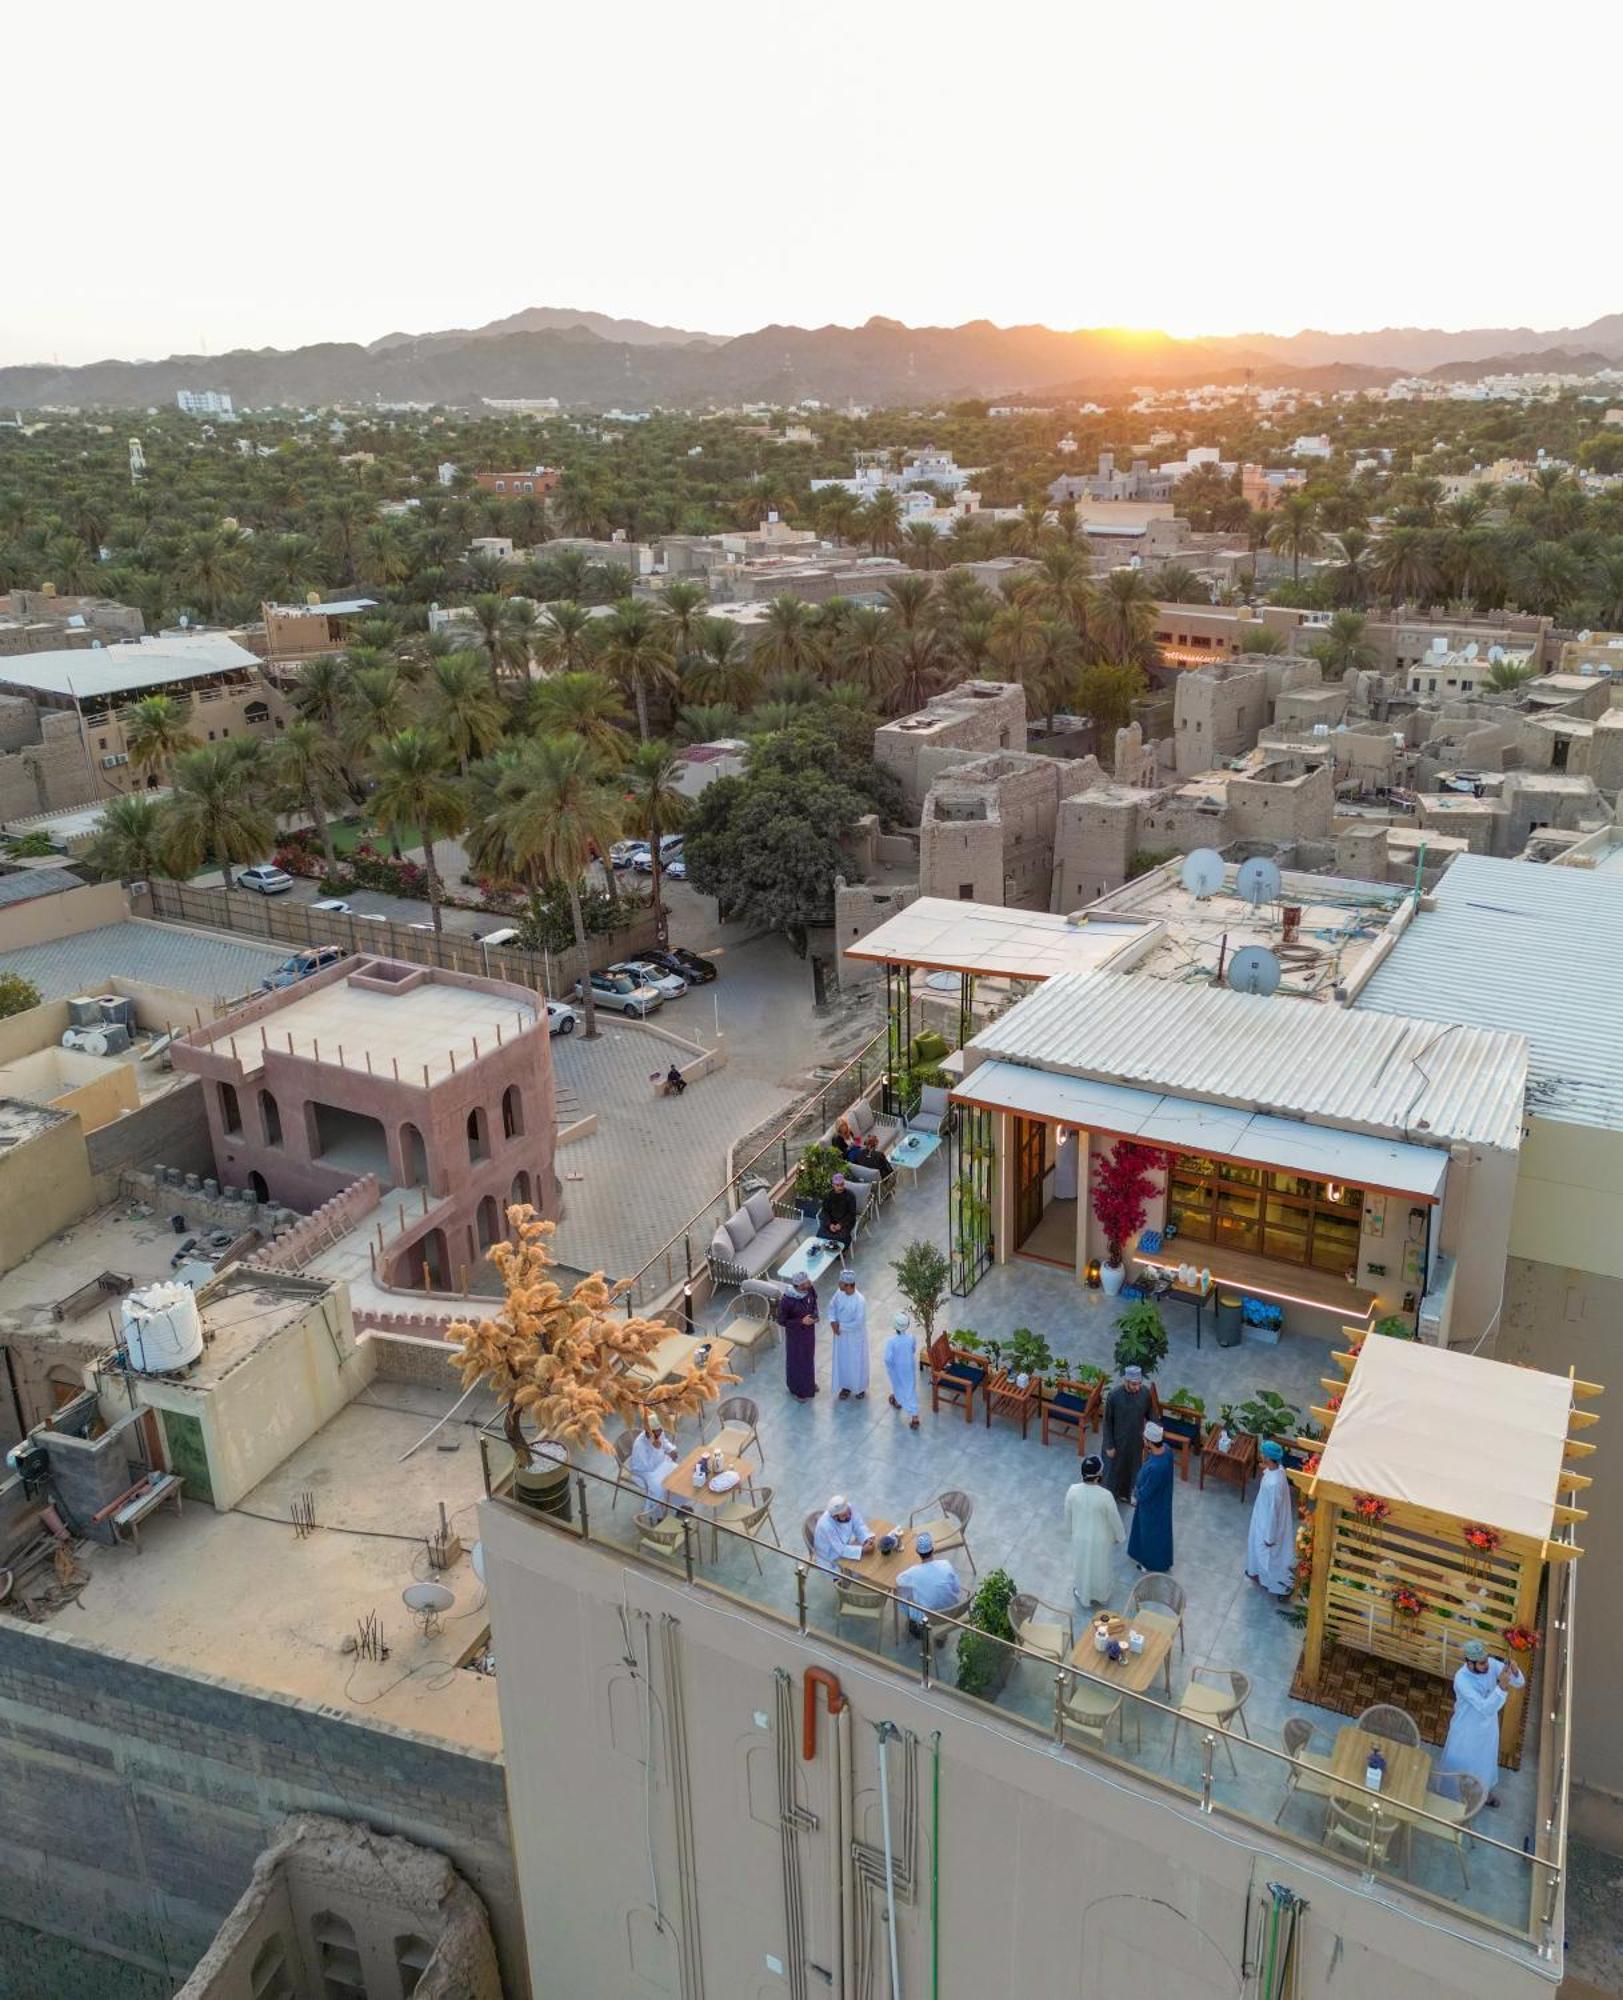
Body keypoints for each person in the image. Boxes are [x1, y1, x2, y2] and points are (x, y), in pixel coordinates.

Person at [1440, 1638, 1525, 1806]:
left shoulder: (1491, 1664)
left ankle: (1483, 1794)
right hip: (1466, 1729)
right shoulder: (1462, 1679)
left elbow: (1519, 1682)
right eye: (1481, 1664)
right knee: (1460, 1763)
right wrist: (1501, 1687)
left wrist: (1514, 1671)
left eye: (1485, 1661)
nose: (1486, 1666)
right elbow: (1485, 1708)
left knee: (1484, 1763)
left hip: (1487, 1730)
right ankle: (1452, 1799)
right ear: (1469, 1663)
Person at [1065, 1453, 1125, 1606]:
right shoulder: (1106, 1496)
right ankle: (1101, 1595)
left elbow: (1068, 1514)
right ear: (1099, 1476)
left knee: (1082, 1565)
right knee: (1100, 1568)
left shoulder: (1072, 1490)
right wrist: (1120, 1536)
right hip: (1101, 1540)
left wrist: (1070, 1531)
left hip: (1079, 1537)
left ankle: (1082, 1593)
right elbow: (1115, 1518)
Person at [1245, 1439, 1296, 1595]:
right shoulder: (1278, 1471)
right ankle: (1256, 1572)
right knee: (1257, 1548)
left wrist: (1270, 1537)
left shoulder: (1274, 1484)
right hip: (1261, 1518)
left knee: (1269, 1556)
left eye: (1263, 1454)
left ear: (1268, 1458)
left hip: (1268, 1526)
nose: (1261, 1455)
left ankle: (1278, 1586)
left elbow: (1273, 1512)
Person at [1127, 1423, 1174, 1572]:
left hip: (1151, 1505)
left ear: (1149, 1442)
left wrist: (1137, 1494)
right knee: (1161, 1532)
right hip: (1163, 1500)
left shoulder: (1156, 1468)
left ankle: (1149, 1563)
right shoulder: (1167, 1451)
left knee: (1149, 1534)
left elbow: (1147, 1491)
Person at [1101, 1364, 1152, 1502]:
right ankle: (1110, 1496)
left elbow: (1151, 1415)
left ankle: (1129, 1494)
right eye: (1134, 1384)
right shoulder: (1114, 1396)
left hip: (1135, 1441)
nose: (1137, 1387)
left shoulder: (1145, 1393)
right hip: (1116, 1442)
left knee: (1133, 1469)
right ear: (1126, 1381)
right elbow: (1107, 1422)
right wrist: (1109, 1445)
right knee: (1113, 1471)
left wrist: (1154, 1435)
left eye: (1139, 1384)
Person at [895, 1532, 963, 1629]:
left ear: (917, 1552)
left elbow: (898, 1580)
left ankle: (915, 1623)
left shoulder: (913, 1572)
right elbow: (957, 1589)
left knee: (905, 1591)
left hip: (929, 1617)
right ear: (933, 1550)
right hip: (952, 1610)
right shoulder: (945, 1564)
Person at [628, 1415, 683, 1516]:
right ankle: (660, 1516)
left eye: (660, 1430)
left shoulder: (659, 1433)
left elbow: (665, 1442)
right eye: (657, 1431)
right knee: (659, 1487)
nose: (660, 1432)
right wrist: (657, 1450)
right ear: (649, 1431)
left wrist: (671, 1450)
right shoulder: (639, 1445)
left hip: (661, 1464)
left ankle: (678, 1506)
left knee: (678, 1474)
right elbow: (647, 1466)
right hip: (645, 1472)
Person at [827, 1270, 870, 1400]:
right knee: (843, 1361)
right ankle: (845, 1386)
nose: (838, 1284)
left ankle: (859, 1388)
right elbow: (831, 1307)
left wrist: (840, 1326)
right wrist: (833, 1321)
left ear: (848, 1285)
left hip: (854, 1336)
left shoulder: (860, 1301)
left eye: (841, 1283)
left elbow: (858, 1322)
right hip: (840, 1336)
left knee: (856, 1362)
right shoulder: (839, 1293)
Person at [779, 1273, 819, 1400]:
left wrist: (815, 1315)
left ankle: (808, 1384)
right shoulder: (787, 1301)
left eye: (808, 1282)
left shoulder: (810, 1290)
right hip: (795, 1337)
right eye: (805, 1284)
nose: (809, 1285)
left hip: (809, 1334)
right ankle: (797, 1390)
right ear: (798, 1286)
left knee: (808, 1360)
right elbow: (781, 1321)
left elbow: (814, 1302)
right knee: (797, 1362)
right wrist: (801, 1322)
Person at [813, 1494, 874, 1567]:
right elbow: (840, 1549)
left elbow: (858, 1524)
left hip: (844, 1546)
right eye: (844, 1515)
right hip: (831, 1555)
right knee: (861, 1570)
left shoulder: (847, 1507)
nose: (848, 1516)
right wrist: (862, 1550)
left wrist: (866, 1539)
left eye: (849, 1512)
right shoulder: (826, 1526)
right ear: (835, 1517)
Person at [883, 1312, 921, 1429]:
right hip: (909, 1367)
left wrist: (891, 1366)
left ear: (895, 1326)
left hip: (896, 1368)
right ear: (907, 1325)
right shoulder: (911, 1338)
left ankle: (898, 1401)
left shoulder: (891, 1341)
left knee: (897, 1384)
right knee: (909, 1388)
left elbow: (888, 1358)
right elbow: (913, 1349)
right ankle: (914, 1417)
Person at [818, 1172, 859, 1254]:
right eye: (838, 1185)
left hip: (845, 1222)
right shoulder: (829, 1195)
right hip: (831, 1221)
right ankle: (828, 1250)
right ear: (833, 1185)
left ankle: (838, 1253)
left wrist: (840, 1224)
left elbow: (852, 1214)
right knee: (821, 1235)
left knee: (842, 1238)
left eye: (842, 1184)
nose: (840, 1187)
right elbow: (824, 1211)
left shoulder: (850, 1196)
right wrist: (829, 1224)